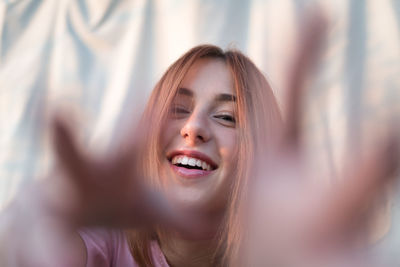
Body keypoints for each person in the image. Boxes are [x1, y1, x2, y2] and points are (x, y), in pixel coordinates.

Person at [0, 14, 398, 267]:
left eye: (226, 116)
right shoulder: (98, 248)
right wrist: (46, 215)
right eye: (178, 109)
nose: (193, 128)